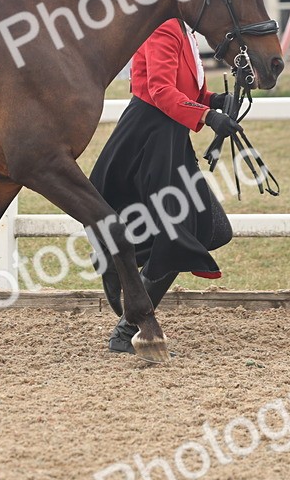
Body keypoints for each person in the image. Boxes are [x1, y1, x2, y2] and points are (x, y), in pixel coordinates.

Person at [90, 17, 242, 354]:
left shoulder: (185, 31)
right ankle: (127, 329)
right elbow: (160, 89)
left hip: (172, 138)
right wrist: (206, 116)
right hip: (150, 137)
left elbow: (187, 89)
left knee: (214, 231)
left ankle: (119, 257)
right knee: (179, 236)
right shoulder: (161, 26)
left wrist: (215, 101)